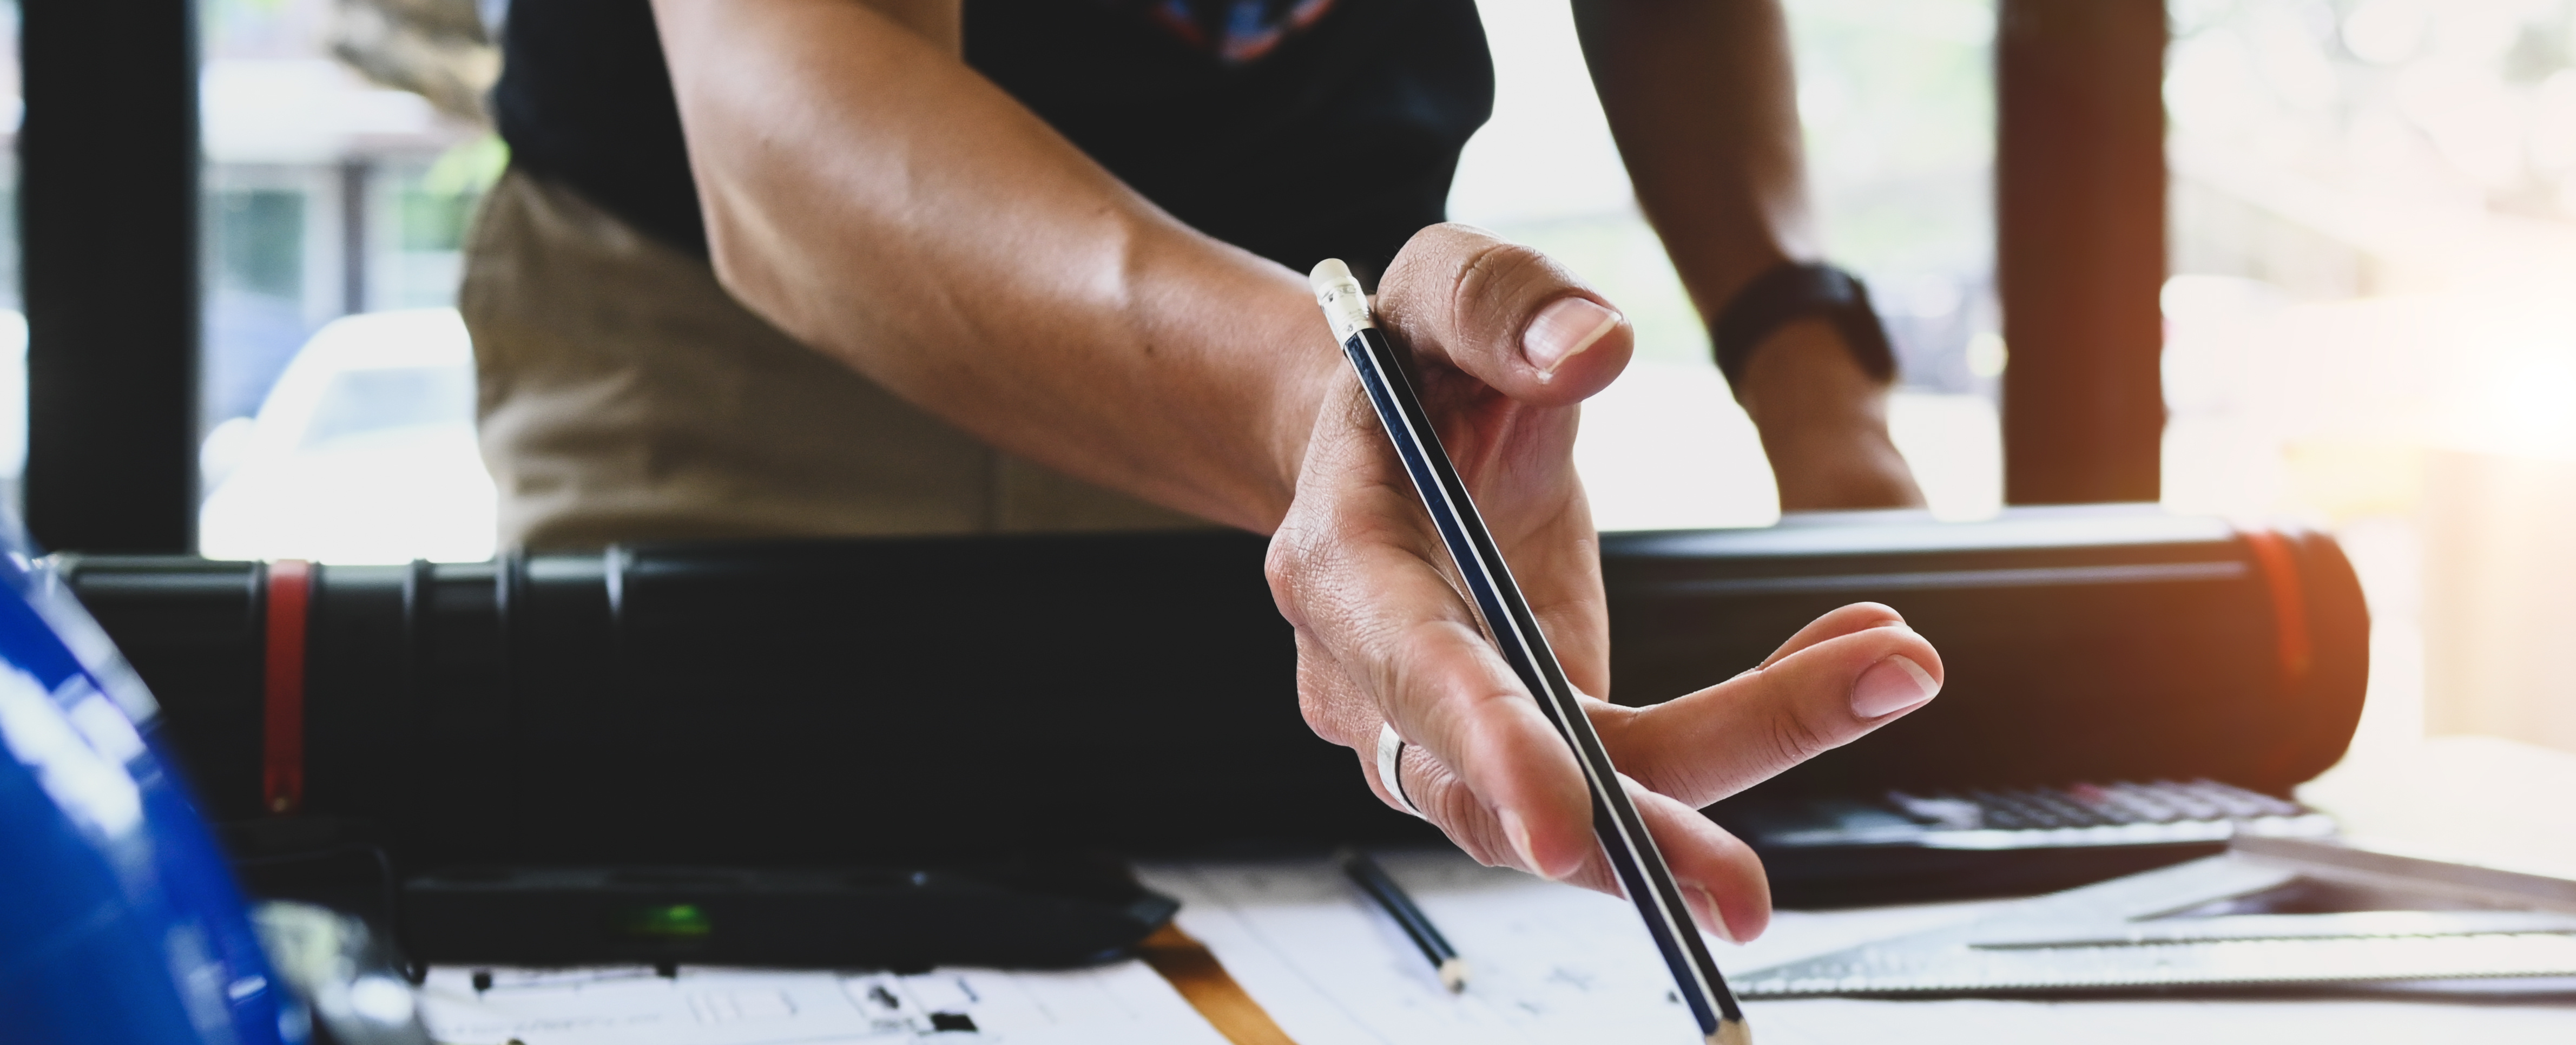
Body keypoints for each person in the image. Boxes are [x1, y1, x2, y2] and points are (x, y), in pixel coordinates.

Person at [467, 0, 1947, 939]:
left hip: (1333, 327)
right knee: (714, 966)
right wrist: (1312, 405)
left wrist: (1816, 390)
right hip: (753, 347)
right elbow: (781, 86)